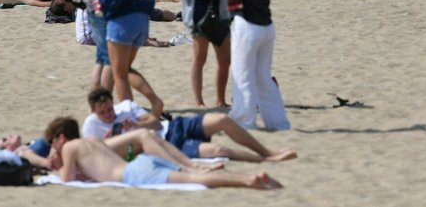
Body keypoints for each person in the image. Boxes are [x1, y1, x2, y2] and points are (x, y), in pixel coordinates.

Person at [44, 117, 283, 188]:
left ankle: (247, 180)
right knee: (193, 175)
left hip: (133, 174)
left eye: (52, 144)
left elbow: (68, 179)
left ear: (61, 139)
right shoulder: (93, 140)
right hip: (143, 161)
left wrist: (55, 164)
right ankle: (245, 177)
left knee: (195, 179)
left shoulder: (69, 149)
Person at [211, 0, 289, 130]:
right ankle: (278, 122)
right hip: (267, 26)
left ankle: (244, 121)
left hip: (247, 26)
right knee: (264, 78)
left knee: (243, 77)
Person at [83, 89, 296, 163]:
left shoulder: (125, 108)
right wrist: (112, 139)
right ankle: (262, 160)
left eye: (110, 108)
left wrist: (137, 123)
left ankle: (267, 152)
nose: (109, 114)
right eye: (103, 112)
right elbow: (97, 155)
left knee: (222, 120)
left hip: (173, 128)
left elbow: (156, 122)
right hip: (165, 146)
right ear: (93, 111)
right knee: (218, 150)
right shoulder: (91, 127)